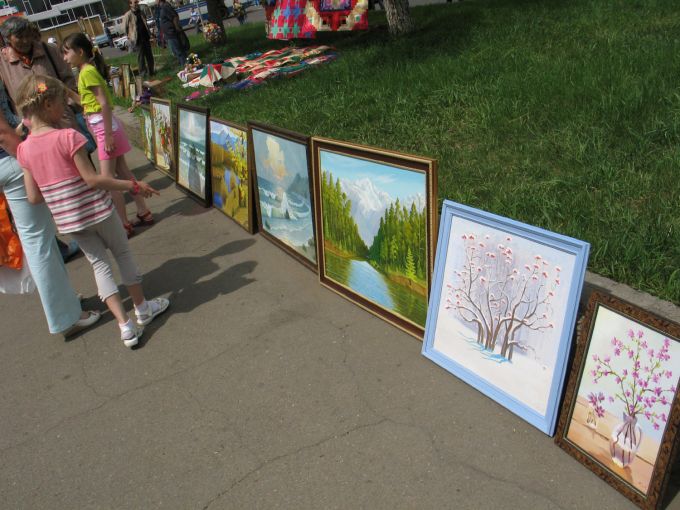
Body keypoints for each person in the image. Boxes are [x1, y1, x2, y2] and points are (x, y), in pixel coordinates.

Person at [16, 74, 169, 348]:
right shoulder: (68, 137)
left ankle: (125, 327)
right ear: (48, 104)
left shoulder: (24, 150)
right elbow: (92, 180)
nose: (66, 107)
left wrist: (58, 192)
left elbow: (33, 197)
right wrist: (133, 185)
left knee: (99, 264)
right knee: (122, 253)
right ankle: (143, 308)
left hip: (69, 221)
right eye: (62, 102)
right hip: (98, 211)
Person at [0, 79, 100, 336]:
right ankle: (65, 317)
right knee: (39, 241)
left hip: (8, 162)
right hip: (9, 160)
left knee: (39, 239)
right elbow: (2, 132)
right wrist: (29, 155)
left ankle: (65, 303)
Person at [62, 33, 155, 238]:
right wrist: (67, 92)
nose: (64, 58)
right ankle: (143, 211)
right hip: (106, 127)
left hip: (105, 129)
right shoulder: (86, 72)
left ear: (80, 52)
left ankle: (123, 224)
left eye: (66, 52)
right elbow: (88, 102)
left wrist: (109, 136)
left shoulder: (87, 73)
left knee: (108, 180)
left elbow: (103, 103)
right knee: (123, 171)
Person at [122, 0, 155, 78]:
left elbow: (145, 23)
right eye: (135, 2)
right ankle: (143, 74)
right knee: (140, 58)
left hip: (145, 37)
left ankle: (151, 72)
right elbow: (123, 28)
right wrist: (129, 36)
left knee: (149, 56)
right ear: (130, 4)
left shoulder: (141, 12)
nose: (137, 4)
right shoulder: (128, 15)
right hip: (137, 39)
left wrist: (150, 34)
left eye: (137, 2)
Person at [157, 0, 188, 68]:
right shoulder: (162, 8)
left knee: (178, 51)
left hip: (171, 32)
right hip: (168, 34)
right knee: (175, 51)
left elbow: (175, 16)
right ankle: (184, 64)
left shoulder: (165, 7)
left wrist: (176, 27)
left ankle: (185, 65)